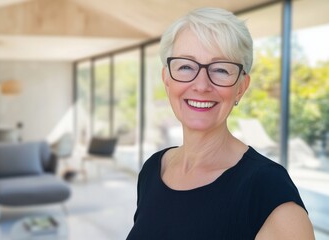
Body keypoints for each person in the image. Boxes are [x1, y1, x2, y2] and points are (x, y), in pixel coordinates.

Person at [126, 7, 314, 240]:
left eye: (221, 70)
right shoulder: (153, 170)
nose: (202, 85)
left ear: (241, 87)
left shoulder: (267, 191)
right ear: (167, 79)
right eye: (186, 66)